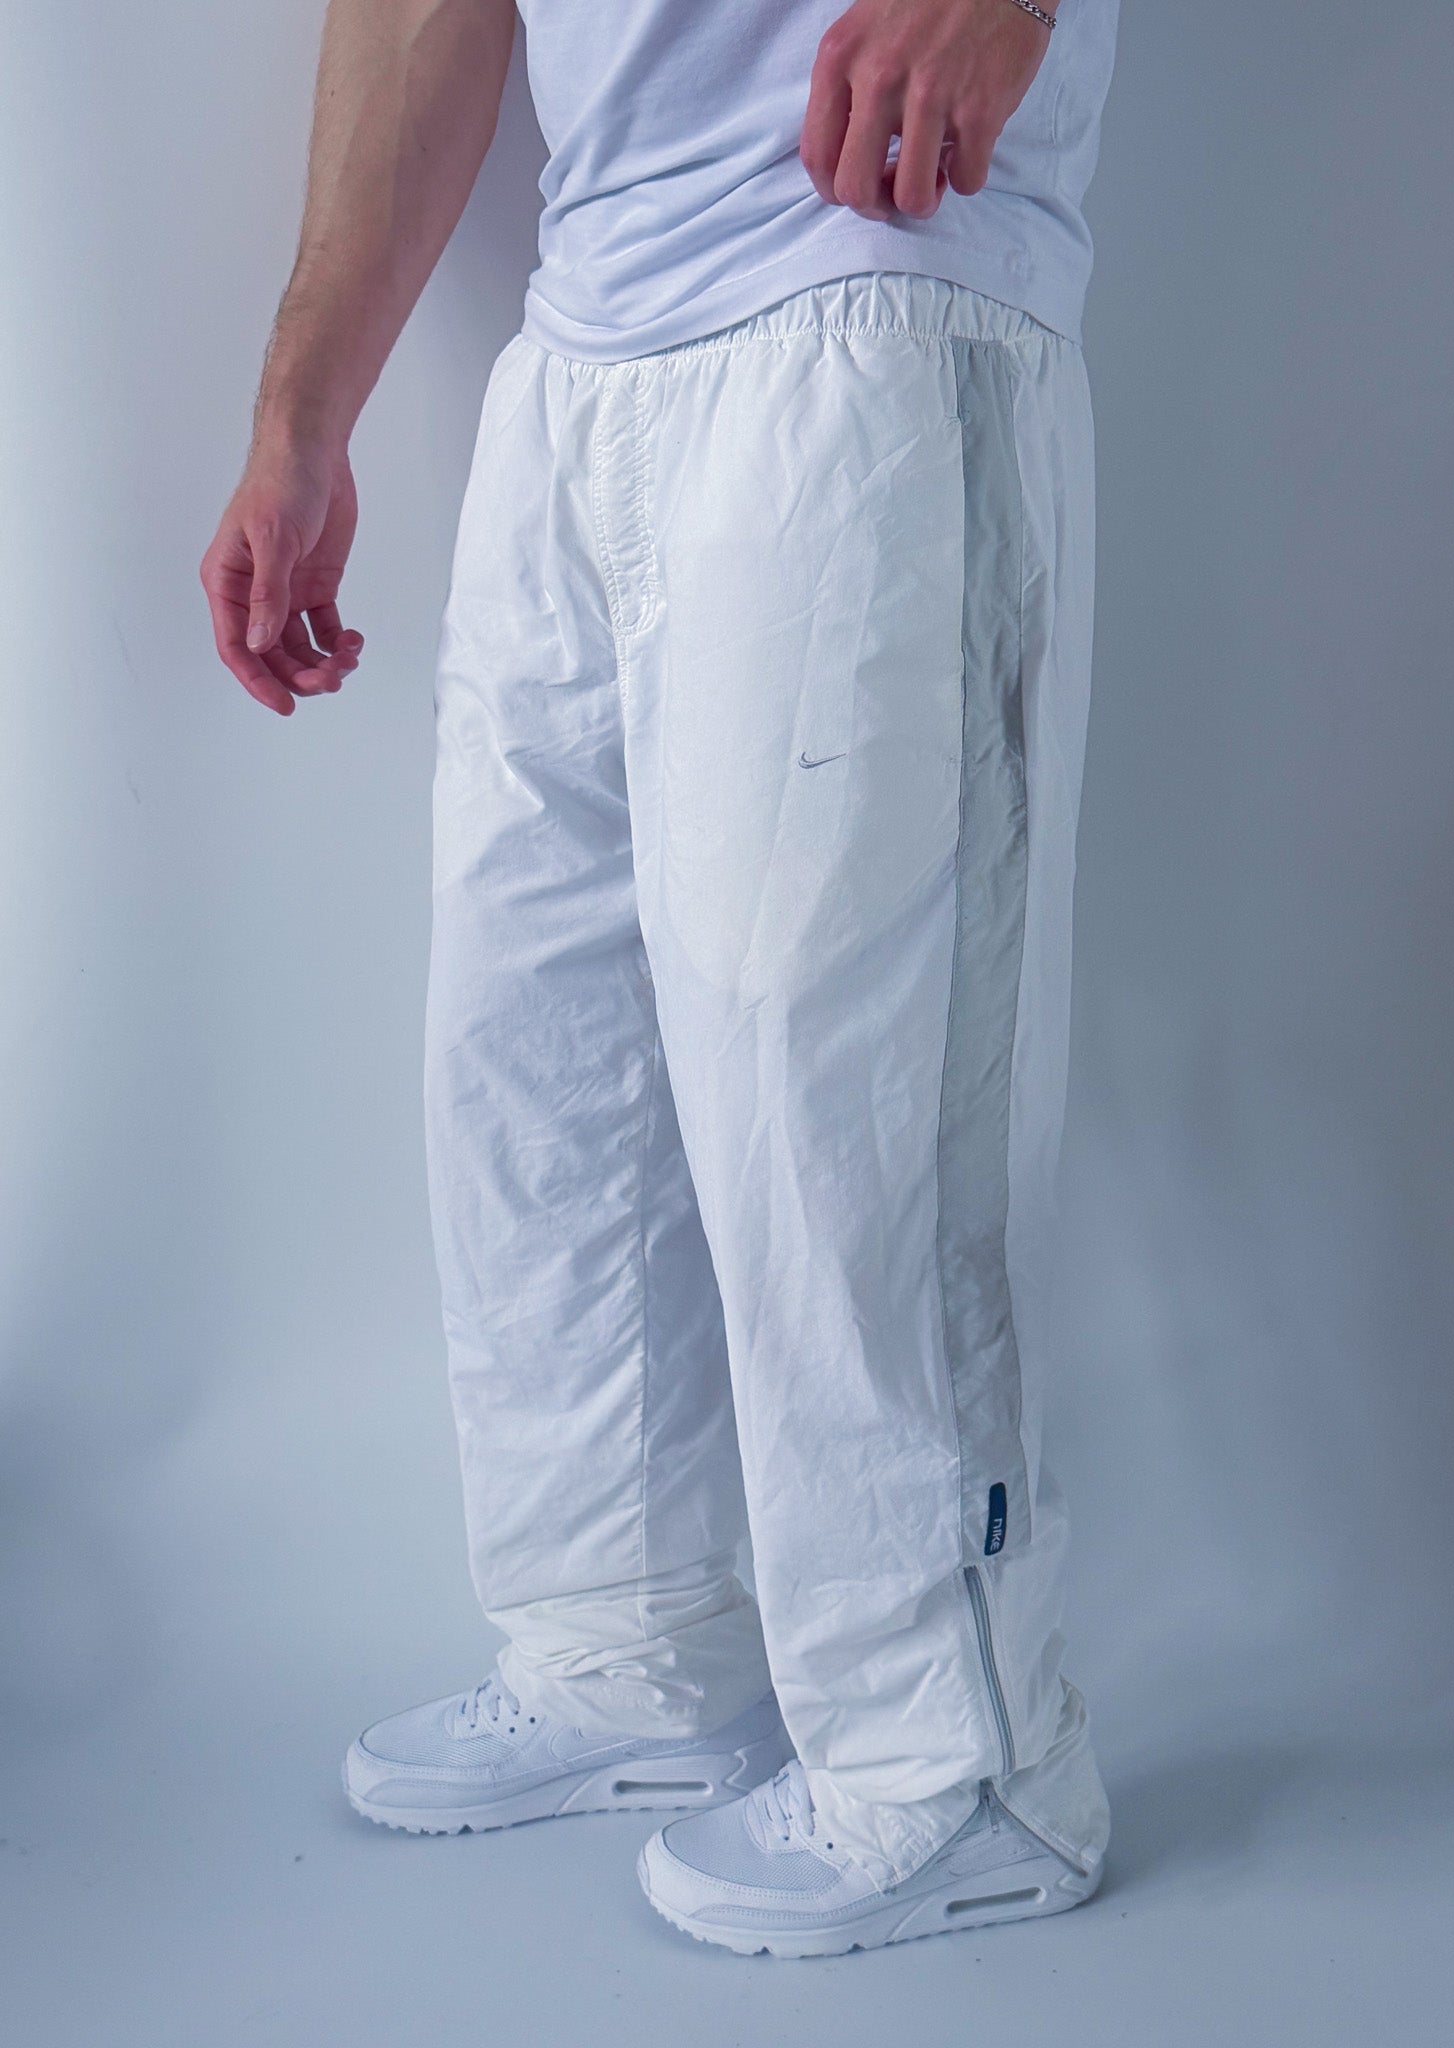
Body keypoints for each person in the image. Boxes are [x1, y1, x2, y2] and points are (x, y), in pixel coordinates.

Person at [201, 0, 1120, 1959]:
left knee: (842, 1099)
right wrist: (304, 405)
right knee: (535, 1072)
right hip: (583, 355)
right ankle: (632, 1649)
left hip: (864, 282)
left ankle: (959, 1761)